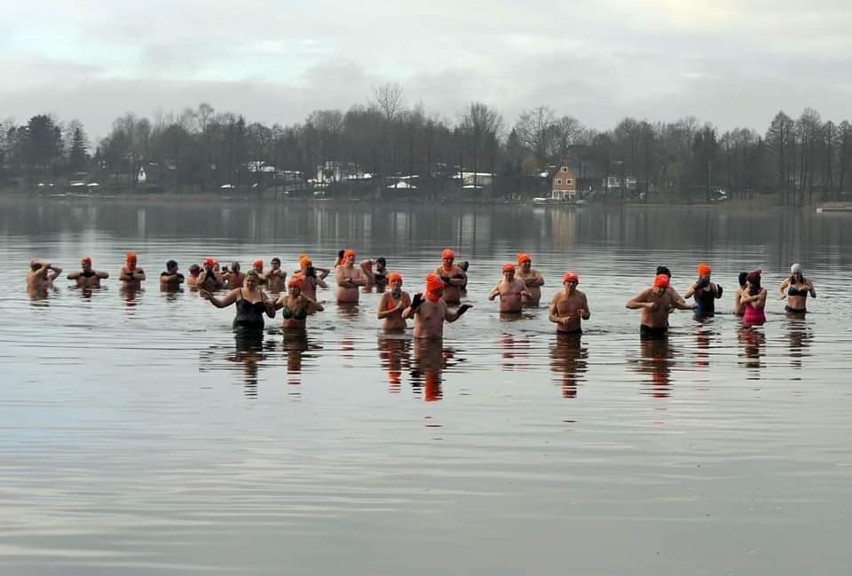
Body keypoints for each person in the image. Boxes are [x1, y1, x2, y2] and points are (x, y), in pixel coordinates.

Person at [199, 270, 275, 331]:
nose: (250, 283)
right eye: (248, 280)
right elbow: (221, 304)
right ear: (244, 280)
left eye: (253, 281)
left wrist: (270, 307)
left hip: (258, 330)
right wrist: (211, 298)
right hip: (240, 329)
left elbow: (271, 315)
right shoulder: (238, 292)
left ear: (257, 282)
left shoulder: (263, 295)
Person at [626, 273, 695, 339]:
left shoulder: (668, 293)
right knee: (648, 350)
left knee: (664, 350)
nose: (662, 290)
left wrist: (689, 307)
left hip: (663, 329)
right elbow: (629, 304)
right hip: (648, 329)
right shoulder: (648, 293)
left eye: (664, 288)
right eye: (660, 287)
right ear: (655, 286)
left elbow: (676, 305)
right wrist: (646, 304)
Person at [402, 273, 472, 339]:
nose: (442, 291)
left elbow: (450, 318)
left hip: (438, 341)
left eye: (442, 288)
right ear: (433, 290)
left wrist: (460, 311)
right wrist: (413, 306)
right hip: (422, 341)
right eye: (440, 289)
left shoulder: (441, 302)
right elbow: (404, 315)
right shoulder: (421, 302)